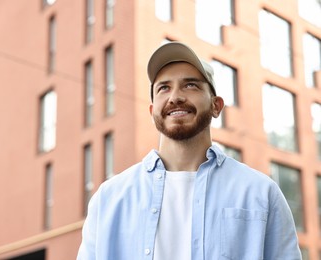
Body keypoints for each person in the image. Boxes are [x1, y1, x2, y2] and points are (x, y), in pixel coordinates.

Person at [77, 42, 301, 259]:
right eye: (164, 88)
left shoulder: (260, 193)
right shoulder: (109, 199)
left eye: (190, 85)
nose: (175, 97)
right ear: (152, 110)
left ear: (216, 106)